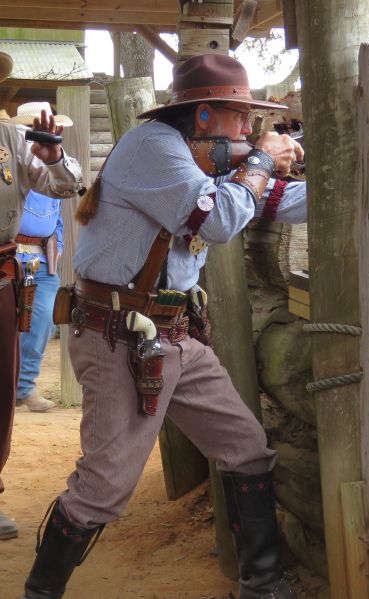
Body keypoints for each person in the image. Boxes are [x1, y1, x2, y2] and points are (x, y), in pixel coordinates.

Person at [21, 53, 306, 599]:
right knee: (105, 487)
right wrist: (261, 161)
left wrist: (352, 175)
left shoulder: (203, 155)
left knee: (245, 447)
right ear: (203, 115)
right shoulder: (153, 147)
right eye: (239, 115)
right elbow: (219, 220)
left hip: (174, 334)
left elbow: (270, 201)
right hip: (117, 335)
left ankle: (263, 588)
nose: (248, 127)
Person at [0, 52, 83, 542]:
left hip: (2, 279)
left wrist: (53, 156)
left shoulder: (11, 140)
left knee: (2, 387)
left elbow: (67, 186)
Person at [9, 102, 72, 412]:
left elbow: (57, 217)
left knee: (43, 321)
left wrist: (56, 246)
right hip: (10, 256)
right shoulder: (14, 164)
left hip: (42, 258)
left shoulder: (57, 170)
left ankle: (24, 387)